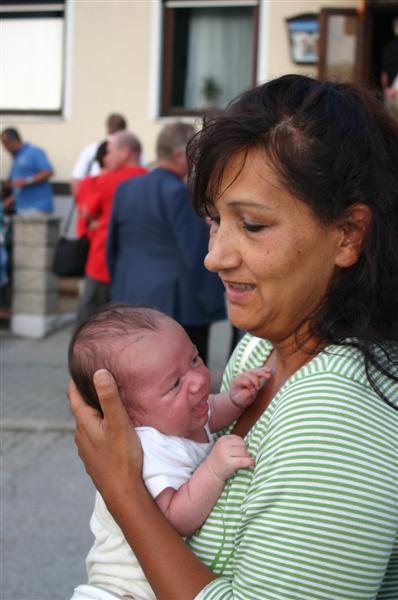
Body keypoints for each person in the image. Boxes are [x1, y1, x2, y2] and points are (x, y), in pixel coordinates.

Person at [69, 75, 398, 599]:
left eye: (252, 225)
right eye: (215, 220)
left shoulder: (339, 413)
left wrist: (123, 491)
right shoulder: (263, 346)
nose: (214, 255)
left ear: (348, 235)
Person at [69, 303, 271, 600]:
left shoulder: (174, 418)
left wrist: (234, 400)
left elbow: (210, 413)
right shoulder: (150, 449)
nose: (199, 380)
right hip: (119, 590)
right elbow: (175, 518)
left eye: (193, 359)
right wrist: (213, 471)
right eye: (175, 384)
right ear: (129, 416)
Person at [107, 122, 226, 363]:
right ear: (178, 156)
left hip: (130, 295)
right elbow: (195, 252)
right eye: (193, 154)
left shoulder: (126, 189)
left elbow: (113, 247)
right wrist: (212, 301)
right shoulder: (177, 193)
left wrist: (118, 287)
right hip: (178, 305)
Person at [76, 131, 147, 323]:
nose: (107, 157)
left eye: (109, 151)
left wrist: (97, 221)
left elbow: (86, 211)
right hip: (136, 262)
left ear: (125, 152)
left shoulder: (106, 180)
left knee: (90, 315)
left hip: (102, 260)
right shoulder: (149, 179)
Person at [71, 113, 127, 197]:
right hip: (122, 197)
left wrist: (81, 203)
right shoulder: (132, 151)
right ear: (125, 129)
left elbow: (76, 178)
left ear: (107, 128)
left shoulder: (92, 149)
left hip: (95, 197)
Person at [0, 128, 54, 215]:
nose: (4, 148)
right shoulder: (17, 157)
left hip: (37, 208)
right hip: (22, 208)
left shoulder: (33, 152)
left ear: (14, 141)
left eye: (5, 143)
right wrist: (6, 203)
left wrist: (27, 181)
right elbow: (18, 187)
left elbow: (48, 172)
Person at [380, 16, 398, 120]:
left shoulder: (388, 48)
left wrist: (386, 89)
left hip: (390, 93)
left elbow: (384, 74)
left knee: (391, 125)